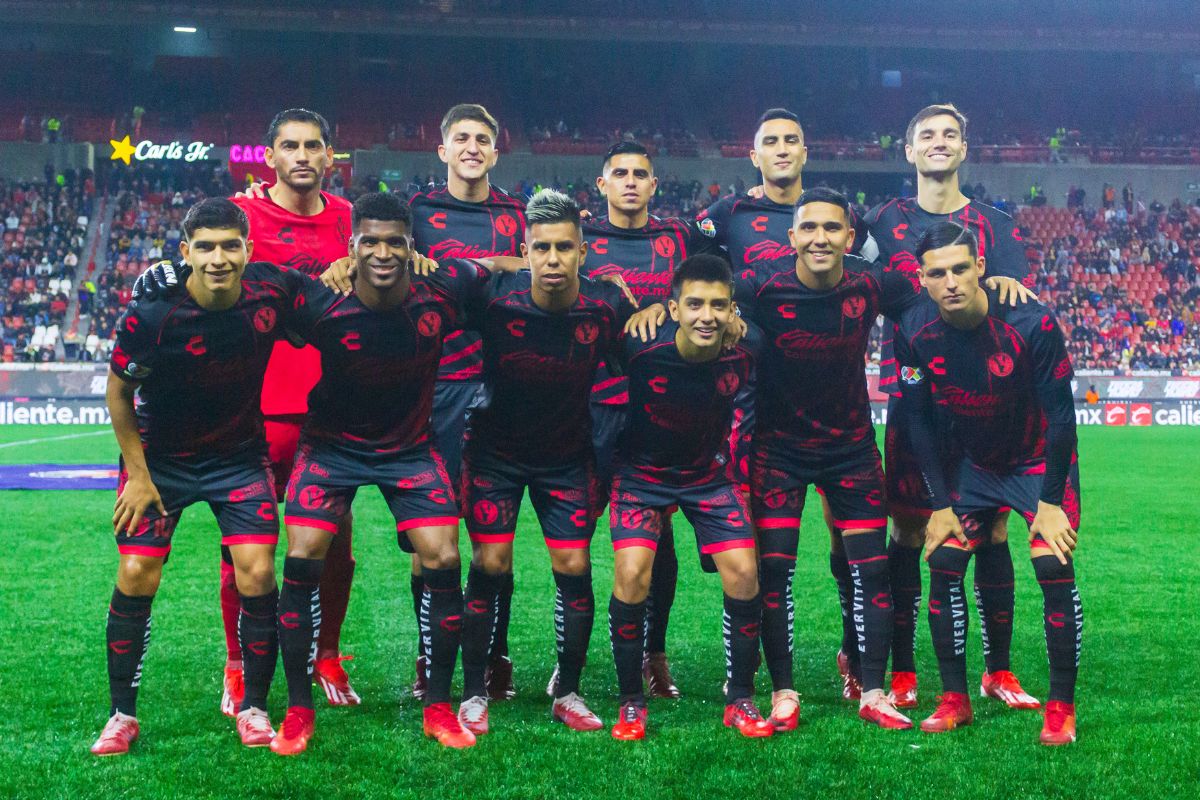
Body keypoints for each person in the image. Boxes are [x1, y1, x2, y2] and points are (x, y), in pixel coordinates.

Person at [270, 193, 490, 753]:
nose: (383, 252)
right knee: (302, 557)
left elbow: (508, 266)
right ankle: (298, 710)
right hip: (330, 448)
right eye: (371, 241)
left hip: (408, 449)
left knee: (443, 556)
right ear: (353, 247)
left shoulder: (441, 291)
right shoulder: (322, 301)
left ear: (412, 247)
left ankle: (439, 706)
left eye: (395, 241)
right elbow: (251, 284)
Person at [90, 198, 304, 755]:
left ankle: (254, 708)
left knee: (256, 574)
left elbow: (328, 293)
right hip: (160, 461)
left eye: (230, 246)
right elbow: (118, 392)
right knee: (137, 572)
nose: (218, 258)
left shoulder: (269, 294)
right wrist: (137, 476)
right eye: (205, 247)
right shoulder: (154, 313)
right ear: (185, 253)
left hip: (238, 457)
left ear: (248, 251)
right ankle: (121, 715)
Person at [865, 103, 1038, 710]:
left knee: (991, 529)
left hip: (986, 406)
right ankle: (906, 668)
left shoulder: (997, 225)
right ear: (908, 151)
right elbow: (848, 280)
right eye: (926, 136)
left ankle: (999, 669)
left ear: (965, 148)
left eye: (949, 134)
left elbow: (1018, 304)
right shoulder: (880, 222)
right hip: (914, 400)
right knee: (911, 529)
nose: (938, 143)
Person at [895, 222, 1083, 745]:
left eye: (960, 268)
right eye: (938, 273)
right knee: (945, 558)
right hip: (975, 464)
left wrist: (1048, 502)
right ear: (922, 278)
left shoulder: (1032, 321)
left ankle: (1061, 706)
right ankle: (954, 698)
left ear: (981, 267)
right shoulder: (911, 329)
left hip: (1037, 461)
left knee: (1052, 562)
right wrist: (938, 503)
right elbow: (917, 422)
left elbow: (1062, 417)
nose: (951, 281)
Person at [456, 189, 635, 734]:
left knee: (575, 569)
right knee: (490, 566)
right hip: (495, 456)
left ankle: (569, 690)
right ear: (524, 251)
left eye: (563, 248)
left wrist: (654, 309)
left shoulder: (606, 305)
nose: (552, 260)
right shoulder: (492, 296)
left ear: (583, 251)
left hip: (567, 456)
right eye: (540, 248)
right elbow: (429, 284)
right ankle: (472, 692)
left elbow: (649, 349)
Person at [580, 140, 725, 699]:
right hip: (592, 402)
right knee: (573, 537)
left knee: (659, 538)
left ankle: (654, 653)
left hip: (665, 407)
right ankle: (564, 657)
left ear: (655, 184)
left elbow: (715, 291)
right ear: (602, 183)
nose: (631, 182)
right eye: (620, 173)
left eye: (641, 173)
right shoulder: (582, 238)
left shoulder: (680, 238)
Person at [228, 109, 361, 712]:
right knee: (245, 546)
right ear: (270, 157)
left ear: (331, 156)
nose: (302, 155)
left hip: (334, 398)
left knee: (336, 544)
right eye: (290, 146)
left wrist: (352, 264)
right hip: (259, 399)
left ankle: (327, 655)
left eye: (314, 145)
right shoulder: (244, 215)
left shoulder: (349, 219)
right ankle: (238, 664)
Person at [608, 255, 770, 740]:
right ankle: (631, 703)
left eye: (718, 305)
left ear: (732, 310)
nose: (707, 316)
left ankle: (740, 698)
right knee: (633, 574)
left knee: (744, 572)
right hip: (640, 476)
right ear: (672, 308)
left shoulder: (748, 348)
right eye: (695, 304)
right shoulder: (636, 344)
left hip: (707, 476)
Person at [407, 104, 527, 701]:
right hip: (435, 385)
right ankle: (429, 662)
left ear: (496, 152)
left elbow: (533, 272)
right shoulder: (418, 212)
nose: (473, 146)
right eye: (462, 137)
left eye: (484, 138)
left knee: (493, 540)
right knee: (430, 538)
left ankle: (493, 657)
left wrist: (477, 266)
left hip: (504, 381)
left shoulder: (516, 214)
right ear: (443, 149)